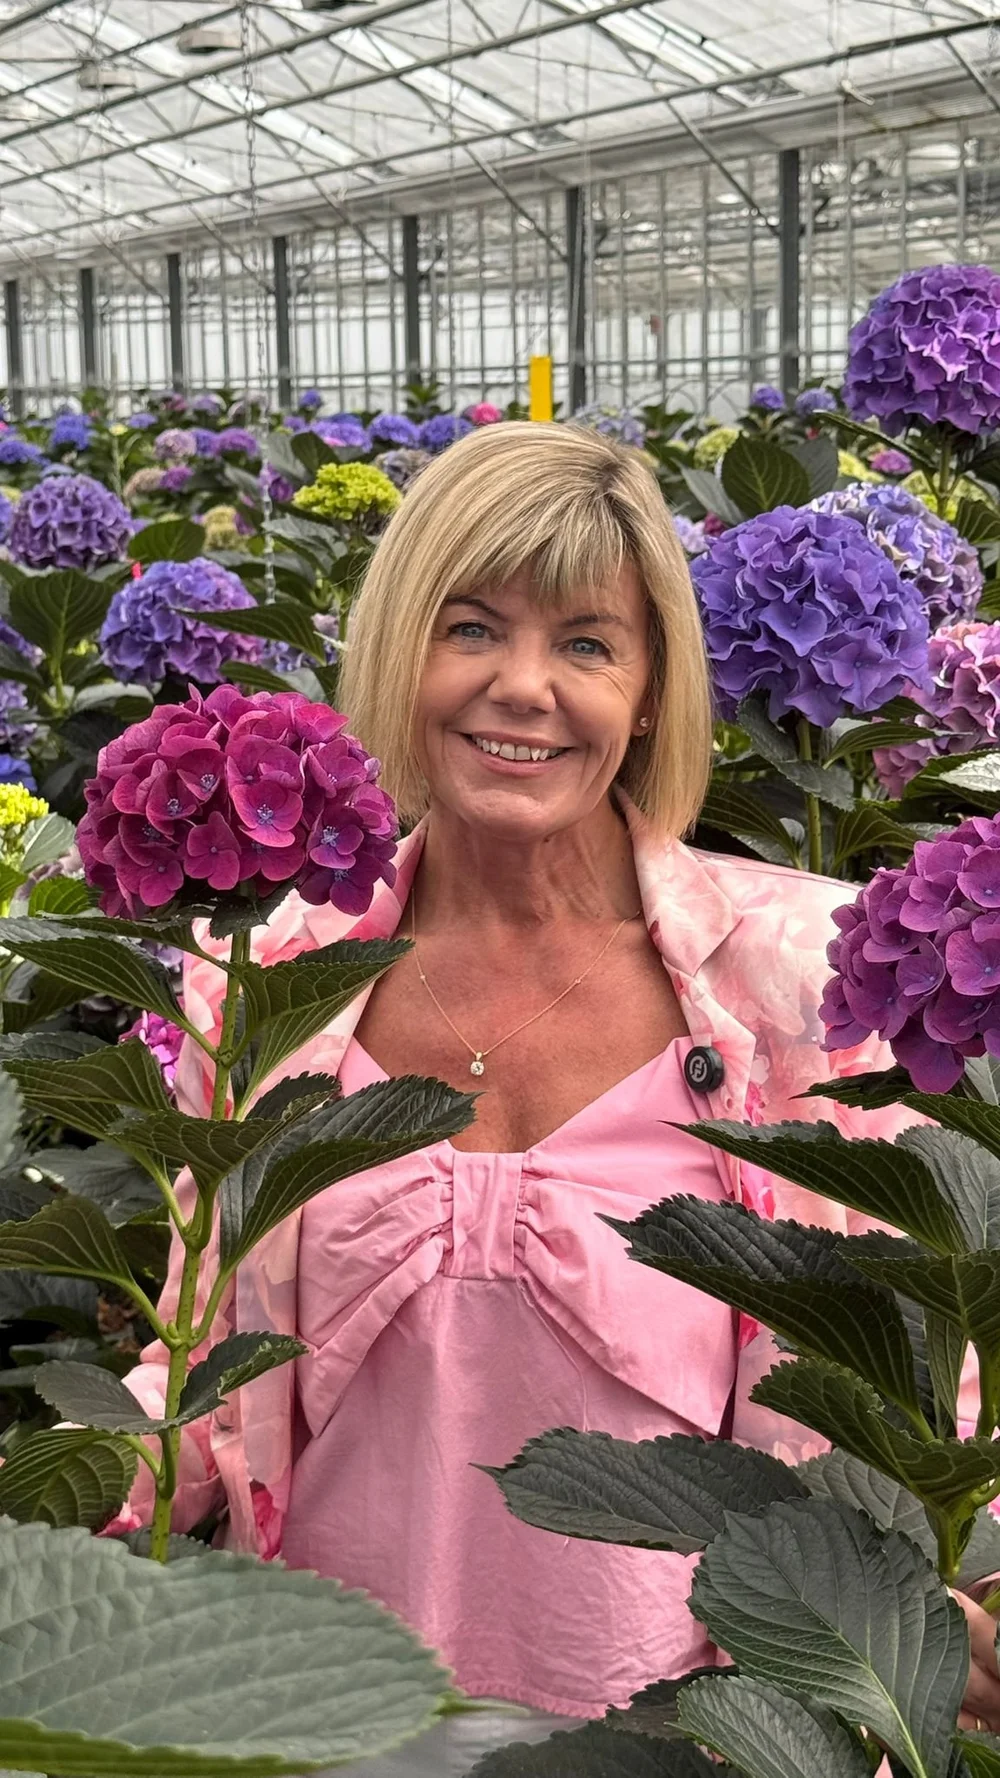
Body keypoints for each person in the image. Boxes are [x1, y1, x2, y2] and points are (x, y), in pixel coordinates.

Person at [120, 421, 1000, 1764]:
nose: (523, 686)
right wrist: (73, 1495)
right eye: (471, 627)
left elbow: (929, 1377)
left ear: (650, 692)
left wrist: (968, 1594)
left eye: (586, 643)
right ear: (402, 651)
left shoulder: (797, 985)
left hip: (693, 1737)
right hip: (321, 1725)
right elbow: (196, 1365)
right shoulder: (276, 977)